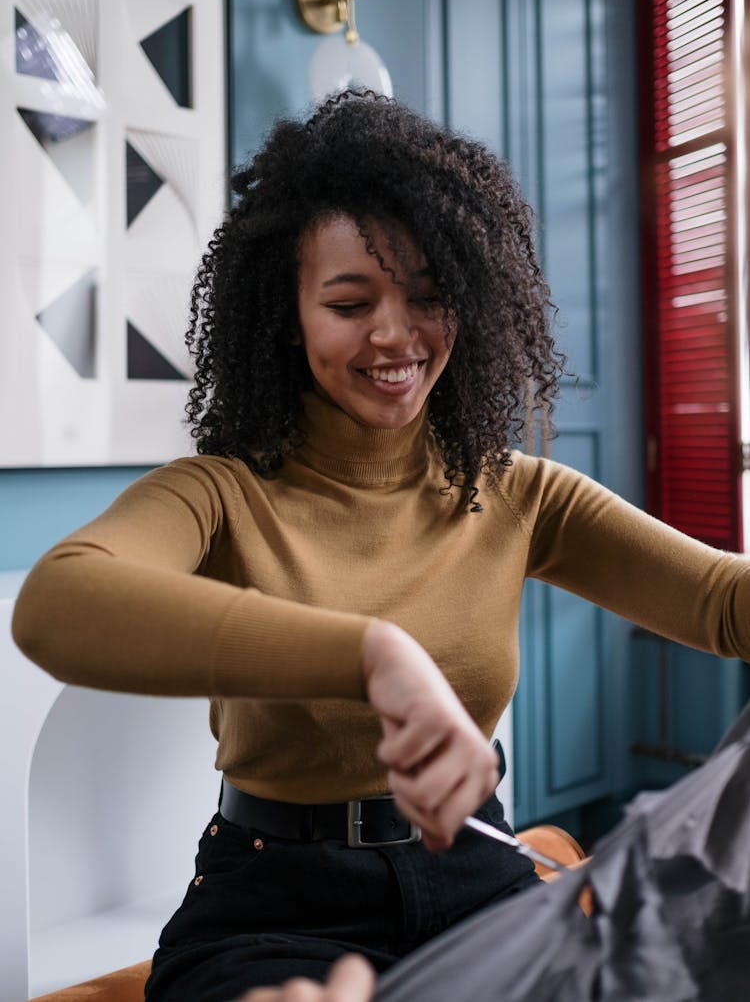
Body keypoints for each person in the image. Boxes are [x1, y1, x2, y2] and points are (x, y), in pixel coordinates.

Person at [12, 91, 750, 1002]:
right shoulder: (221, 494)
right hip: (276, 900)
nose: (396, 335)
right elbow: (56, 601)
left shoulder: (517, 491)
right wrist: (372, 653)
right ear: (288, 314)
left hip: (482, 877)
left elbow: (724, 603)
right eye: (350, 302)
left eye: (429, 297)